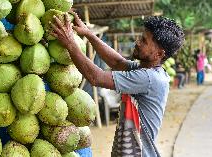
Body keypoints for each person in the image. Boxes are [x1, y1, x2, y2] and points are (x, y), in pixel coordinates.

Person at [50, 13, 184, 157]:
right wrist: (89, 34)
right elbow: (117, 62)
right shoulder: (147, 70)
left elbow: (96, 78)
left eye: (144, 41)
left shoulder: (149, 78)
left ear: (159, 54)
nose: (137, 42)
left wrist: (70, 43)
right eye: (141, 37)